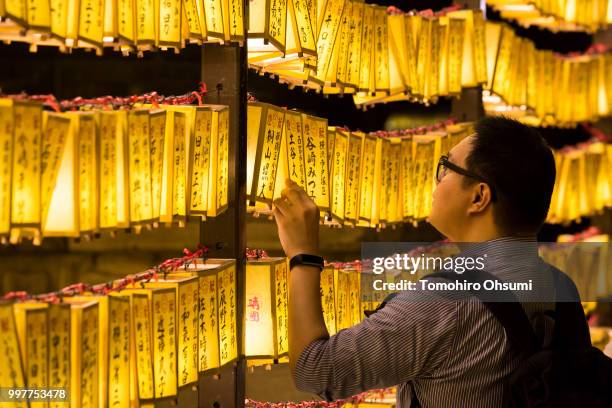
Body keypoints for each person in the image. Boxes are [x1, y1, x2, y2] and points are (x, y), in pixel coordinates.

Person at [272, 116, 586, 407]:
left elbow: (314, 370)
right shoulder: (562, 287)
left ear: (479, 197)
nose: (437, 180)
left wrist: (303, 254)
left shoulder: (442, 302)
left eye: (447, 167)